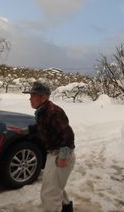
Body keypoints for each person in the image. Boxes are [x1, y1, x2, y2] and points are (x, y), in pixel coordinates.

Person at [8, 81, 75, 212]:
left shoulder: (53, 112)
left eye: (33, 95)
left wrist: (62, 157)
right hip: (54, 154)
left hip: (60, 155)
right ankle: (67, 209)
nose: (30, 98)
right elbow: (41, 128)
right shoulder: (43, 112)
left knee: (49, 194)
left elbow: (68, 135)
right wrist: (24, 131)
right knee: (55, 188)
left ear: (43, 97)